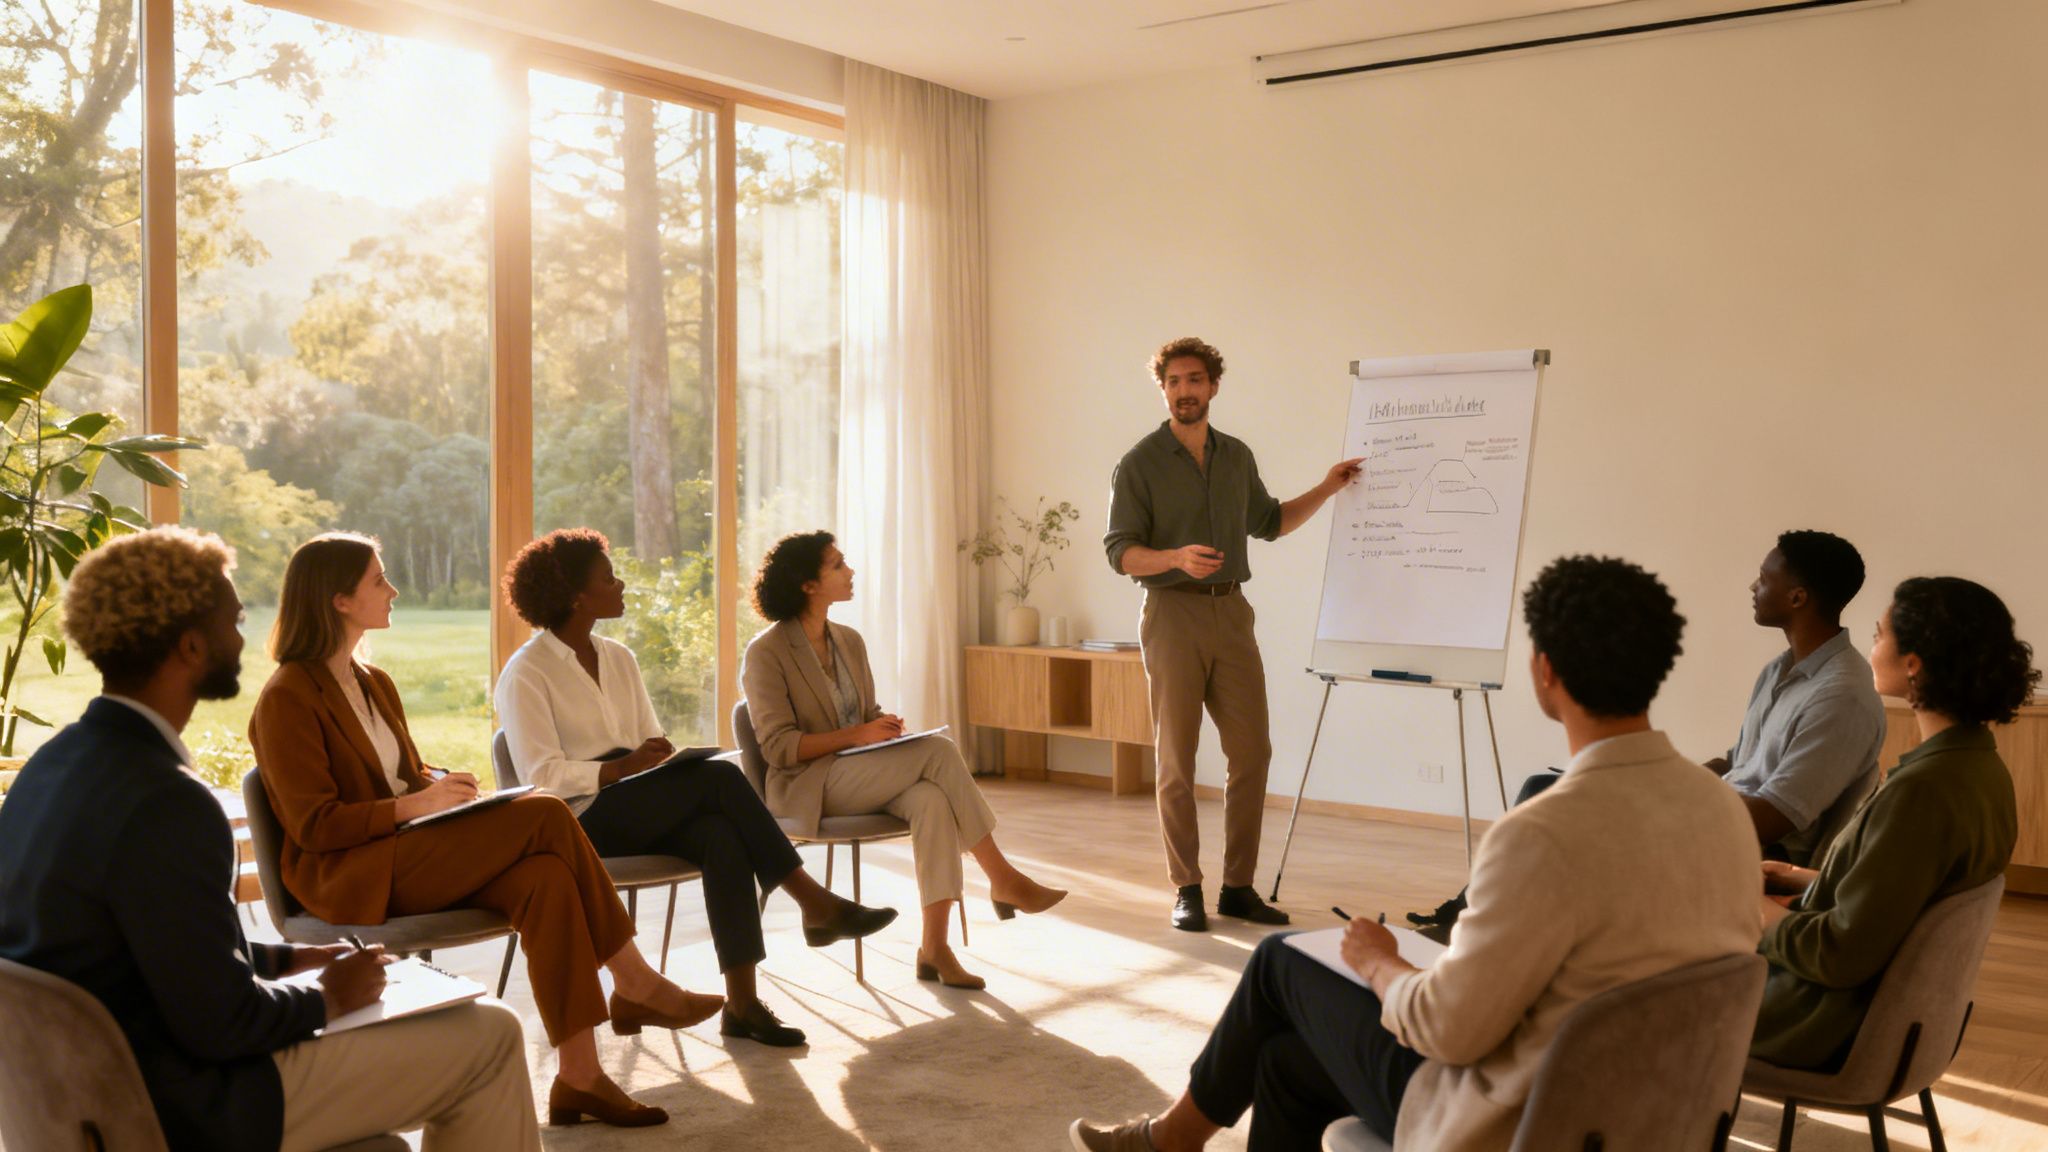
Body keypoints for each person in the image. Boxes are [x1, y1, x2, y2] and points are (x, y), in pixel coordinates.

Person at [1071, 555, 1762, 1152]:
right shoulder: (1723, 810)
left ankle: (1172, 1139)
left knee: (1281, 962)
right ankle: (1171, 1139)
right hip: (1657, 1113)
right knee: (1284, 1062)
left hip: (1522, 1123)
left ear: (1544, 670)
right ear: (1657, 669)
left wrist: (1381, 963)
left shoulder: (1542, 834)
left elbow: (1446, 1032)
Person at [0, 527, 539, 1152]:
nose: (243, 634)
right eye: (233, 619)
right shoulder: (167, 801)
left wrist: (289, 960)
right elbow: (223, 1025)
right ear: (191, 645)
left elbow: (148, 949)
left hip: (83, 1102)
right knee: (491, 1035)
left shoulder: (52, 767)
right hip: (187, 1105)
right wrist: (327, 997)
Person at [249, 532, 721, 1129]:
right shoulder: (288, 696)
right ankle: (635, 979)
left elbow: (400, 774)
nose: (393, 590)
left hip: (408, 848)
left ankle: (579, 1077)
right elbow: (314, 825)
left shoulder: (372, 680)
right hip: (353, 871)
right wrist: (415, 806)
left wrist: (441, 784)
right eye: (378, 580)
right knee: (547, 809)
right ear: (339, 600)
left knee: (545, 877)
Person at [495, 528, 897, 1048]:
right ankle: (813, 901)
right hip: (578, 819)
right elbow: (540, 777)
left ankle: (743, 1004)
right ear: (576, 596)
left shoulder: (618, 657)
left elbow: (646, 739)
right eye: (607, 578)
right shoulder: (526, 671)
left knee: (719, 836)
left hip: (635, 800)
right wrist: (618, 770)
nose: (620, 585)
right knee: (724, 777)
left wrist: (656, 757)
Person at [1410, 528, 1885, 936]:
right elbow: (1735, 762)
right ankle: (1476, 919)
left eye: (1764, 579)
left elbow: (1771, 818)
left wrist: (1666, 794)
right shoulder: (1783, 669)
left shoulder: (1841, 695)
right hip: (1719, 814)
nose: (1753, 587)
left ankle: (1488, 928)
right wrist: (1657, 779)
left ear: (1798, 597)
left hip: (1755, 847)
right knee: (1546, 789)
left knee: (1566, 807)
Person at [1104, 336, 1363, 931]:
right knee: (1177, 758)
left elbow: (1270, 522)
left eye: (1195, 380)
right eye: (1174, 382)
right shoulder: (1139, 463)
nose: (1185, 391)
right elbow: (1120, 553)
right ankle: (1187, 887)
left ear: (1213, 386)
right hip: (1171, 615)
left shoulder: (1237, 456)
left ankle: (1238, 888)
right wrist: (1173, 558)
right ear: (1163, 389)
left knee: (1252, 753)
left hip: (1233, 615)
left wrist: (1327, 487)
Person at [740, 530, 1066, 990]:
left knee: (931, 797)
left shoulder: (848, 640)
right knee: (938, 752)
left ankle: (935, 949)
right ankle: (1001, 876)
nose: (849, 571)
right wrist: (859, 734)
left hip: (858, 772)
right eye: (836, 565)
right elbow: (778, 748)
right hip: (807, 787)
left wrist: (884, 729)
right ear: (807, 585)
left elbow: (865, 714)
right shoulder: (766, 652)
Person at [1753, 576, 2033, 1069]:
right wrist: (1797, 877)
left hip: (1816, 1021)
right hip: (1876, 1016)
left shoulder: (1923, 793)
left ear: (1913, 664)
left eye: (1880, 634)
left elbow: (1839, 953)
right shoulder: (1980, 768)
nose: (1871, 645)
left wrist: (1753, 909)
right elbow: (1904, 901)